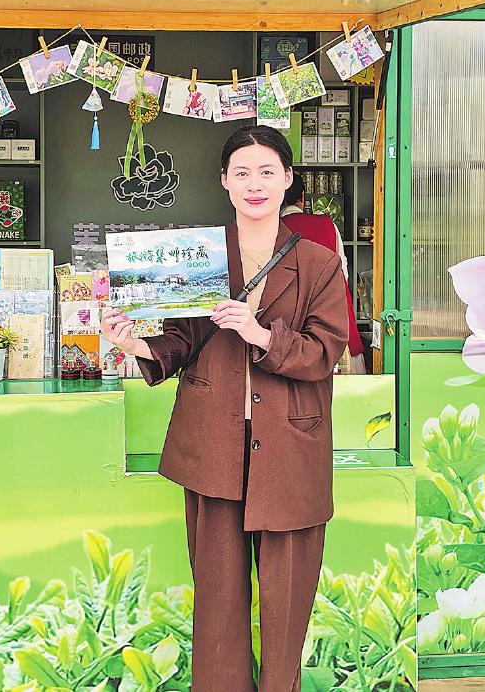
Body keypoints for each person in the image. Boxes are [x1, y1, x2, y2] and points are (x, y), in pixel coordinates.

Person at [101, 126, 349, 692]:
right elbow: (182, 341)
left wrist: (260, 334)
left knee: (288, 602)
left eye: (266, 172)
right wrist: (134, 344)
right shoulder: (199, 256)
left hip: (290, 448)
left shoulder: (318, 263)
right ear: (224, 182)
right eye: (242, 172)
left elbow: (325, 352)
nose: (254, 184)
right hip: (213, 443)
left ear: (287, 180)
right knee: (216, 601)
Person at [281, 182, 368, 372]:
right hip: (333, 307)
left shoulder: (272, 228)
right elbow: (342, 271)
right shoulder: (327, 224)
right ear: (303, 197)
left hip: (289, 317)